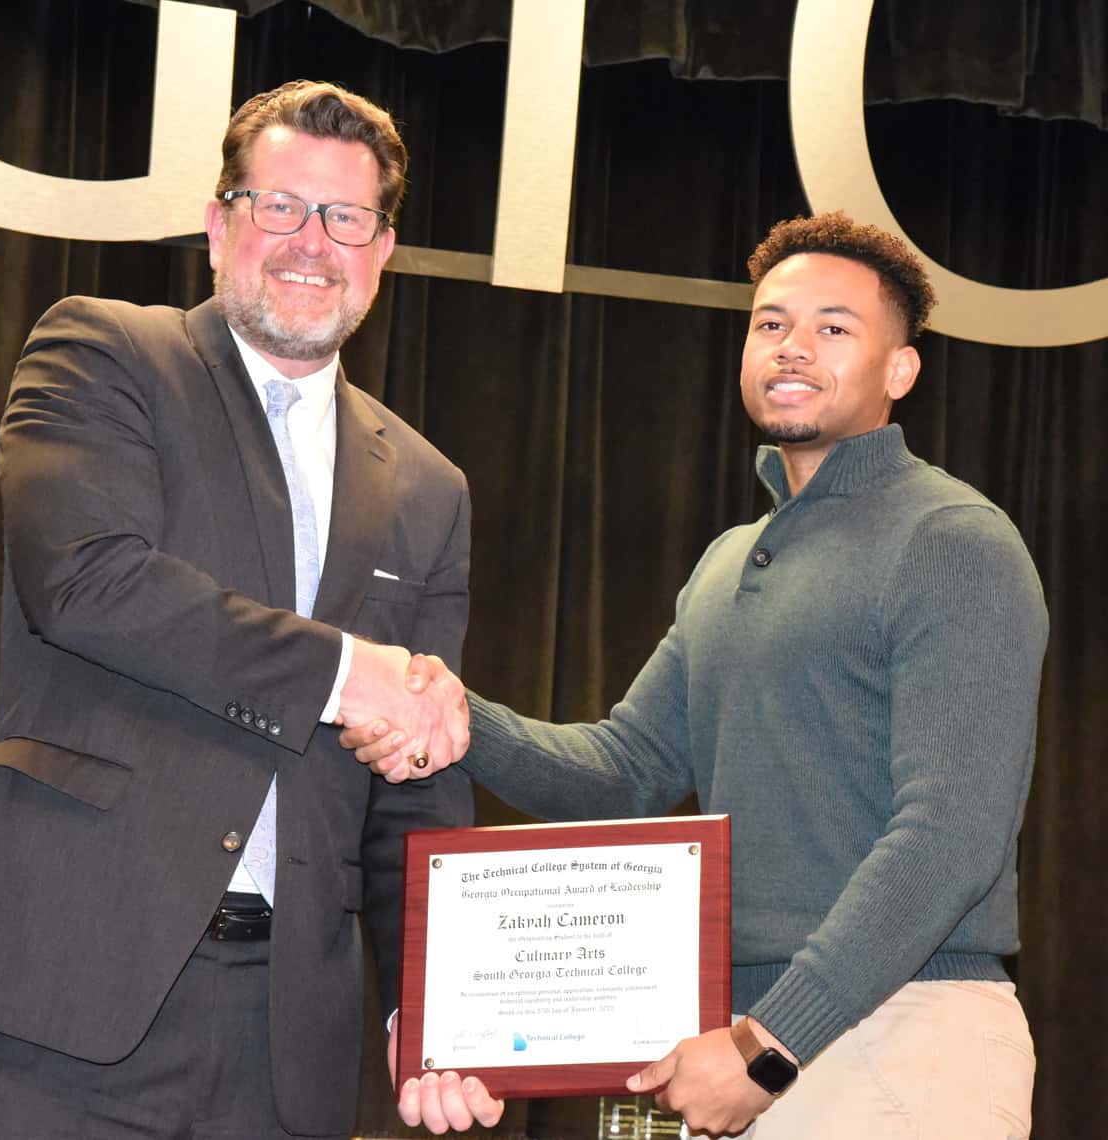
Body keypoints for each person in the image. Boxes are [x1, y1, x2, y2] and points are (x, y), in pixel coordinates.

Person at [346, 213, 1048, 1138]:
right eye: (770, 323)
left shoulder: (952, 541)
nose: (793, 346)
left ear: (900, 370)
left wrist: (769, 1043)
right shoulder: (730, 559)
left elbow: (948, 839)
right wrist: (452, 715)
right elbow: (625, 768)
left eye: (835, 328)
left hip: (897, 1035)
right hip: (734, 1047)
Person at [0, 80, 472, 1139]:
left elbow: (415, 786)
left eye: (345, 217)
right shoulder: (105, 355)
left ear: (383, 249)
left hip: (283, 1033)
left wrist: (431, 1005)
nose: (312, 242)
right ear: (220, 224)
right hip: (67, 985)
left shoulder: (431, 488)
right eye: (280, 206)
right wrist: (356, 670)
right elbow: (88, 580)